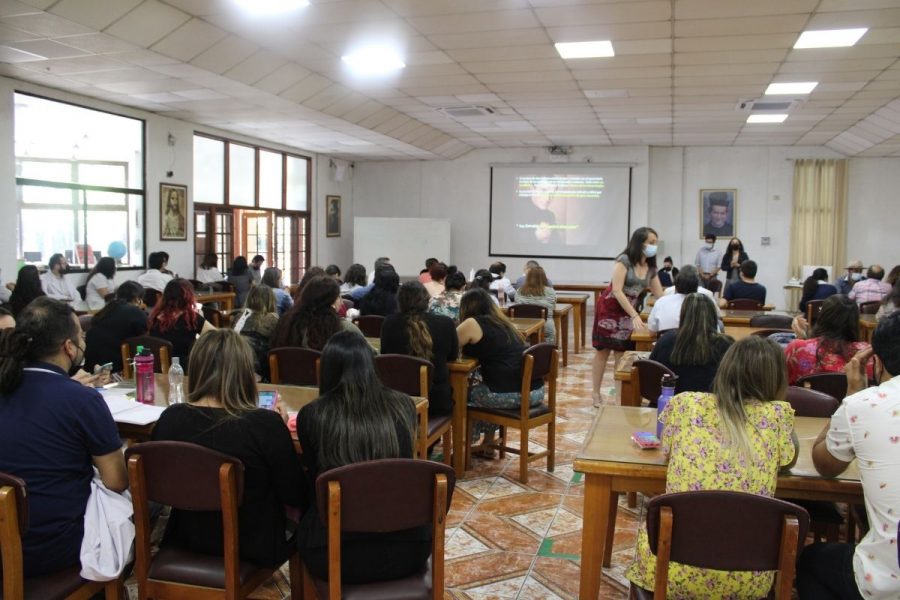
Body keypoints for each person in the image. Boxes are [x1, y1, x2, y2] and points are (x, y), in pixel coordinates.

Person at [627, 336, 797, 598]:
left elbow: (668, 449)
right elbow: (788, 459)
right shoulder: (777, 415)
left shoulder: (685, 404)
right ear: (777, 378)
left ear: (725, 367)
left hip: (672, 570)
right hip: (748, 580)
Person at [152, 329, 302, 567]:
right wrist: (280, 432)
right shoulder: (264, 425)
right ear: (245, 373)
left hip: (185, 537)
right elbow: (293, 492)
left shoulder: (171, 418)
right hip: (252, 545)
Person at [0, 297, 127, 577]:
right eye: (81, 336)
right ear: (69, 347)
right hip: (53, 545)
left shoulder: (8, 384)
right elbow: (116, 481)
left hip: (6, 537)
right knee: (139, 506)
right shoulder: (81, 399)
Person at [295, 331, 426, 583]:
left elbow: (315, 480)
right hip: (409, 548)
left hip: (333, 553)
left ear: (327, 369)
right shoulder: (404, 406)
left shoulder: (312, 415)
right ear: (371, 364)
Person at [798, 312, 900, 600]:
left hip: (888, 580)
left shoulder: (865, 405)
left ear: (876, 362)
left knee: (811, 562)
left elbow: (825, 463)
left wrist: (852, 394)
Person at [457, 288, 543, 451]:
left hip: (510, 394)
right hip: (535, 392)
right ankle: (488, 442)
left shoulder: (472, 323)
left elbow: (450, 344)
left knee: (463, 394)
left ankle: (465, 448)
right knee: (487, 386)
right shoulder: (504, 323)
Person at [592, 227, 663, 406]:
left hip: (628, 312)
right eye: (651, 242)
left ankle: (619, 397)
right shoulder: (624, 261)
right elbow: (616, 290)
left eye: (656, 243)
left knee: (621, 355)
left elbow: (660, 295)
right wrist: (634, 315)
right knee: (603, 351)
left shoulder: (651, 268)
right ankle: (595, 394)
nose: (654, 246)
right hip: (609, 309)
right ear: (640, 243)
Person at [381, 281, 458, 417]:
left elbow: (386, 355)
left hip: (398, 403)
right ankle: (434, 438)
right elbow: (452, 356)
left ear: (399, 301)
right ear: (427, 301)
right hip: (436, 402)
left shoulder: (389, 323)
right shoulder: (445, 323)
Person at [650, 293, 734, 393]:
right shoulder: (726, 344)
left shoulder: (666, 340)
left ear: (683, 314)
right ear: (712, 314)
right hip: (713, 404)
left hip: (671, 403)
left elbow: (651, 371)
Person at [785, 294, 872, 385]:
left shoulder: (797, 348)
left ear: (823, 317)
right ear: (855, 321)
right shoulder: (867, 354)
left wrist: (803, 340)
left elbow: (782, 384)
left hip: (804, 399)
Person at [272, 275, 363, 350]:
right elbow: (371, 356)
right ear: (331, 302)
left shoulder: (287, 322)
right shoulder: (344, 328)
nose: (342, 302)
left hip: (289, 371)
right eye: (339, 297)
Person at [148, 278, 216, 372]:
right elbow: (217, 336)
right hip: (183, 371)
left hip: (156, 370)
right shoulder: (191, 318)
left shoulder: (154, 317)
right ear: (188, 297)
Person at [84, 280, 148, 373]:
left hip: (91, 366)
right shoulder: (134, 311)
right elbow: (147, 337)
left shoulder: (107, 309)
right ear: (137, 299)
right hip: (115, 369)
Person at [230, 284, 279, 380]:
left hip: (234, 369)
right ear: (271, 300)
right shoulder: (272, 319)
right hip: (259, 373)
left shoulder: (238, 317)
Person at [647, 265, 702, 333]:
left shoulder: (661, 302)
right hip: (694, 343)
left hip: (667, 343)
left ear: (676, 285)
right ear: (696, 288)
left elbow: (651, 331)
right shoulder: (704, 304)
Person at [513, 265, 557, 344]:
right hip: (545, 326)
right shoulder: (551, 291)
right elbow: (553, 307)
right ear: (544, 277)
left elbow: (517, 305)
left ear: (528, 277)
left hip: (522, 326)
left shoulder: (519, 291)